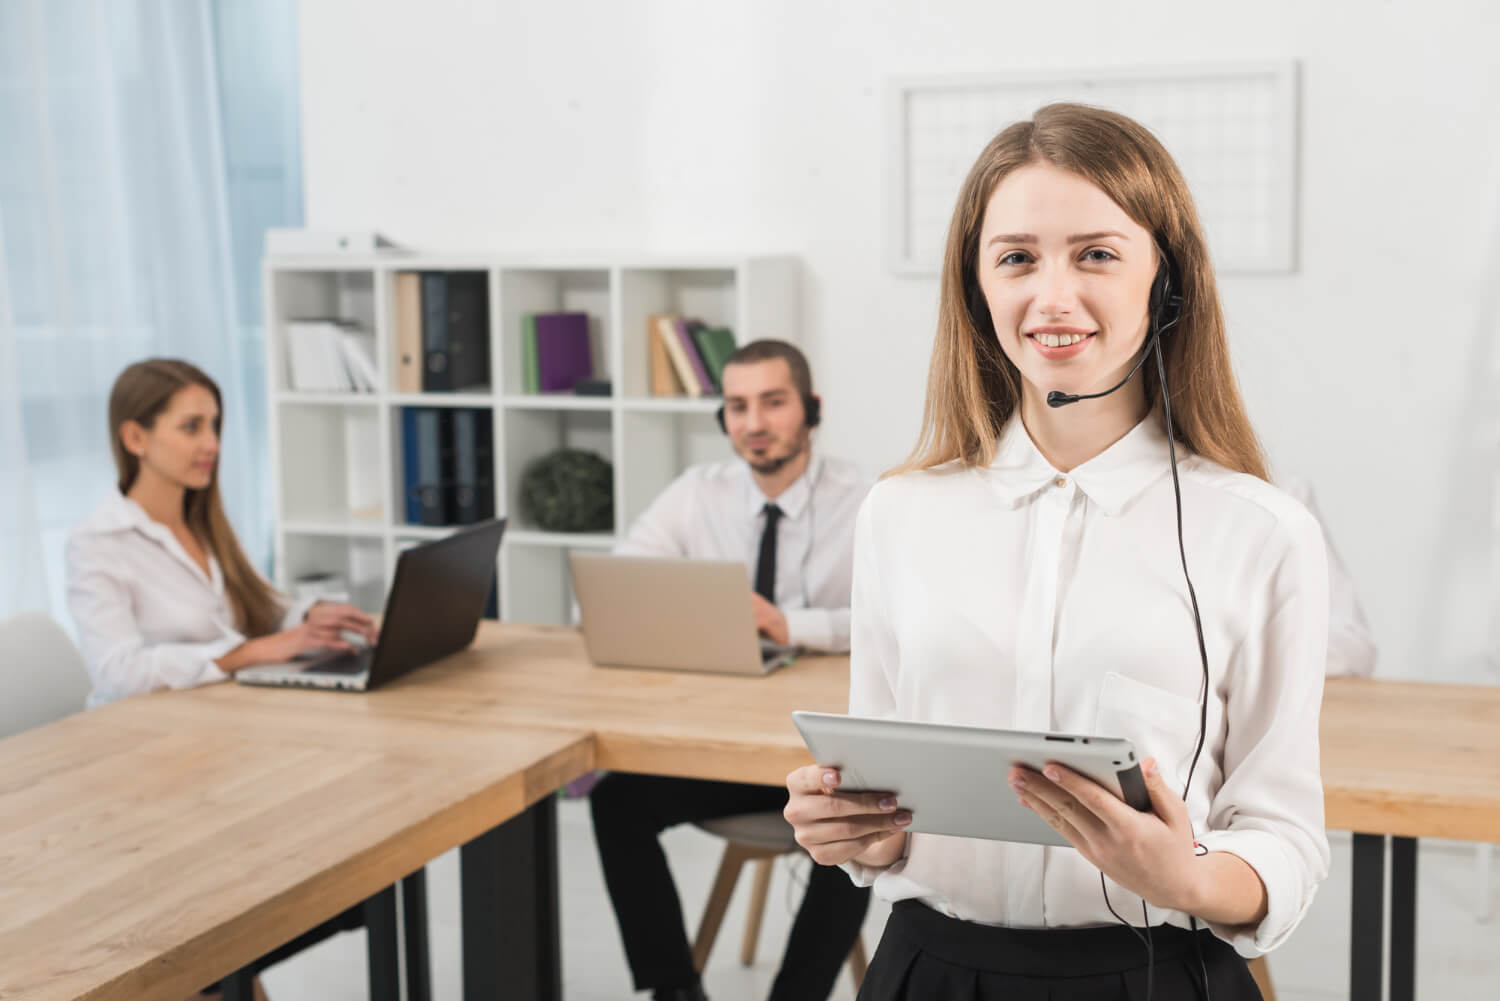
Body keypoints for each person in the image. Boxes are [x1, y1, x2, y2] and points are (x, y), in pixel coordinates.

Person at [784, 104, 1330, 1001]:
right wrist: (862, 833)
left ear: (1167, 278)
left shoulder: (1262, 530)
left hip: (1152, 975)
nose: (1053, 296)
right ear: (978, 286)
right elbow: (885, 793)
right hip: (930, 971)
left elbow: (1286, 837)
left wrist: (1188, 873)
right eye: (1017, 257)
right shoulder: (899, 512)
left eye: (1097, 253)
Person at [66, 358, 377, 999]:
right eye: (192, 427)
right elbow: (117, 671)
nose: (211, 443)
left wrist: (308, 618)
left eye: (216, 426)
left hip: (214, 752)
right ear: (135, 438)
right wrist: (246, 653)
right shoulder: (98, 543)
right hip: (137, 772)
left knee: (342, 840)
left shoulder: (204, 522)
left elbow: (254, 611)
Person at [590, 340, 873, 1001]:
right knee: (616, 801)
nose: (753, 422)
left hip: (811, 753)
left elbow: (899, 623)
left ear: (811, 408)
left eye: (773, 402)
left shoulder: (868, 500)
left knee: (860, 818)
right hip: (724, 749)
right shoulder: (698, 493)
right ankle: (674, 988)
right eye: (737, 405)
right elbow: (614, 584)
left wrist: (790, 624)